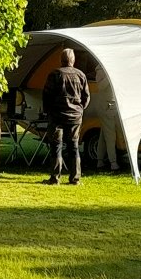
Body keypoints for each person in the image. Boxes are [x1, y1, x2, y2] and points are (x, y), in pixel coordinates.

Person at [44, 48, 90, 185]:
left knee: (56, 146)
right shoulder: (81, 75)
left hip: (57, 116)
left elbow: (46, 95)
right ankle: (75, 178)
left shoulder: (55, 74)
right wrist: (80, 109)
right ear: (73, 60)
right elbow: (86, 97)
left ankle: (55, 177)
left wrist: (48, 111)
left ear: (61, 60)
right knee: (74, 147)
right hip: (75, 117)